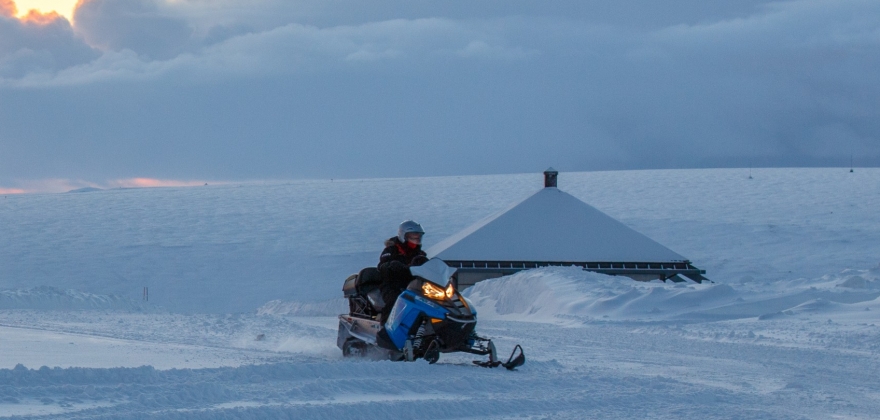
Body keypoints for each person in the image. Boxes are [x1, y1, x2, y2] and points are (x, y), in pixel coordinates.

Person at [377, 220, 427, 322]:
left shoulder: (420, 254)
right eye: (413, 236)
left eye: (419, 236)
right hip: (393, 284)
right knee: (395, 301)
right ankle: (385, 331)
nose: (417, 238)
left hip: (414, 285)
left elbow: (428, 266)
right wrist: (391, 265)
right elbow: (382, 265)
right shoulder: (391, 250)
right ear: (403, 235)